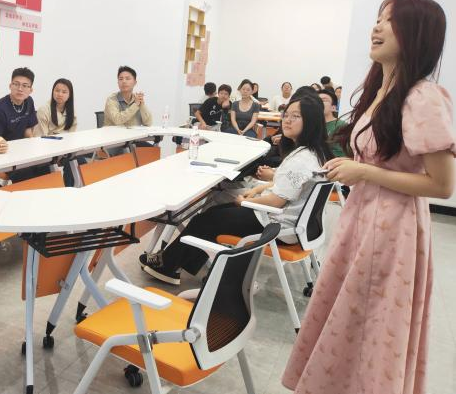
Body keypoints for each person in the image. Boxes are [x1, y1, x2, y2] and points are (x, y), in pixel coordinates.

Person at [283, 0, 455, 394]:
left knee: (372, 323)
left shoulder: (422, 96)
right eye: (378, 18)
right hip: (364, 217)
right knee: (352, 319)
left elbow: (443, 185)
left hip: (392, 227)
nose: (376, 27)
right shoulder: (382, 91)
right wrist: (359, 170)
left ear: (415, 33)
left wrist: (364, 171)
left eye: (389, 21)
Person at [139, 96, 333, 284]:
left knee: (205, 219)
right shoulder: (313, 153)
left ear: (311, 122)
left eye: (295, 116)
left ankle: (167, 266)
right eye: (287, 115)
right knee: (213, 213)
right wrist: (257, 191)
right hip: (292, 224)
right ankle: (179, 263)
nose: (287, 120)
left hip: (276, 225)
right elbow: (289, 188)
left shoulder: (301, 159)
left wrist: (246, 201)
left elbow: (276, 201)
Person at [0, 67, 38, 141]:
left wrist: (32, 142)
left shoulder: (29, 101)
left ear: (31, 90)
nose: (20, 89)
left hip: (22, 145)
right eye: (16, 84)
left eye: (24, 85)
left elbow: (28, 129)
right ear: (10, 86)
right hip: (3, 145)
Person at [317, 88, 346, 157]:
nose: (318, 102)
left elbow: (340, 153)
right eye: (316, 100)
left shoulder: (340, 125)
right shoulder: (310, 124)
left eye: (323, 100)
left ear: (333, 108)